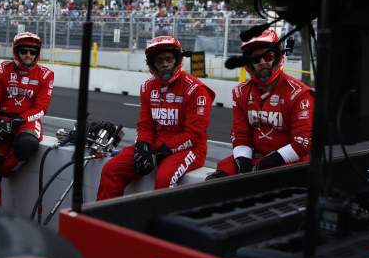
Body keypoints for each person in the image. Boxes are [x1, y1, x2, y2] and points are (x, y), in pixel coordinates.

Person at [96, 35, 214, 200]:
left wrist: (159, 152)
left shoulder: (196, 89)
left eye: (168, 59)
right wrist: (143, 146)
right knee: (111, 169)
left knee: (164, 179)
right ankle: (102, 220)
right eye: (159, 61)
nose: (164, 64)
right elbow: (145, 125)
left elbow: (194, 134)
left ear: (177, 60)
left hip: (191, 148)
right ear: (152, 65)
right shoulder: (147, 87)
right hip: (157, 144)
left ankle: (161, 225)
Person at [207, 30, 313, 180]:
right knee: (217, 180)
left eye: (268, 56)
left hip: (291, 162)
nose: (263, 62)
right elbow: (240, 135)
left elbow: (302, 142)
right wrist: (243, 164)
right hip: (255, 158)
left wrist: (267, 164)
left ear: (277, 57)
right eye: (256, 59)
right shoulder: (241, 92)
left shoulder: (299, 93)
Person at [0, 31, 53, 204]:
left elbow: (41, 108)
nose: (28, 55)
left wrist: (19, 121)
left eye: (32, 52)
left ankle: (5, 171)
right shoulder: (2, 69)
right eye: (24, 51)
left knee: (27, 145)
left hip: (27, 122)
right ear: (16, 51)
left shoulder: (46, 74)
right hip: (3, 121)